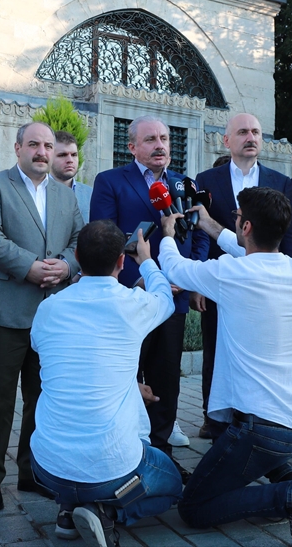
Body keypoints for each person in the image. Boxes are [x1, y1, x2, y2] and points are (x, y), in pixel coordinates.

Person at [161, 188, 292, 547]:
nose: (235, 220)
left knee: (193, 507)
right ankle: (290, 478)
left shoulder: (231, 275)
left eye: (237, 217)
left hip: (263, 430)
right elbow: (253, 255)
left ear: (248, 225)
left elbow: (176, 268)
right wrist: (210, 226)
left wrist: (164, 236)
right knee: (248, 454)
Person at [30, 220, 181, 547]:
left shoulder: (48, 308)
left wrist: (127, 383)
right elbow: (165, 298)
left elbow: (68, 361)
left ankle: (68, 510)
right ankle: (105, 513)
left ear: (76, 256)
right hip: (113, 468)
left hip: (45, 468)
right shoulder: (132, 304)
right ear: (122, 261)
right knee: (173, 486)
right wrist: (148, 260)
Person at [0, 122, 84, 511]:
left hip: (51, 314)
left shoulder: (65, 195)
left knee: (43, 399)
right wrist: (30, 266)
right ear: (17, 148)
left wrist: (66, 266)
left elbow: (77, 241)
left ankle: (32, 471)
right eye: (33, 144)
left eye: (47, 146)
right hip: (2, 311)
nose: (41, 152)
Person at [89, 115, 210, 459]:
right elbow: (103, 237)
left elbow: (199, 235)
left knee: (166, 378)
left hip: (173, 297)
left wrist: (189, 275)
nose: (160, 146)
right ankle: (123, 454)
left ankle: (162, 458)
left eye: (164, 139)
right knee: (125, 376)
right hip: (129, 295)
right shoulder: (110, 181)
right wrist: (137, 278)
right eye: (151, 140)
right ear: (132, 147)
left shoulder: (183, 185)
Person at [193, 113, 292, 440]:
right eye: (242, 132)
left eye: (255, 131)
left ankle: (253, 414)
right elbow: (200, 233)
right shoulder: (206, 180)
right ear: (227, 141)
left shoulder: (281, 182)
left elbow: (289, 236)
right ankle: (214, 416)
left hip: (264, 286)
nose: (250, 137)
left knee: (257, 349)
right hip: (221, 281)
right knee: (215, 345)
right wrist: (198, 283)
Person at [51, 130, 93, 223]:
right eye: (62, 155)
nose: (70, 160)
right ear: (49, 157)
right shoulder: (37, 191)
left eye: (74, 155)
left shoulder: (91, 194)